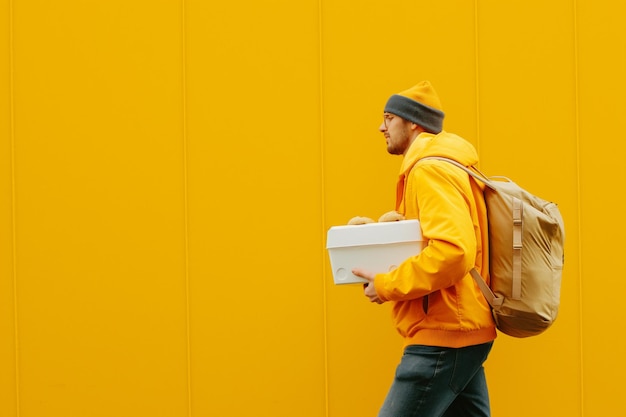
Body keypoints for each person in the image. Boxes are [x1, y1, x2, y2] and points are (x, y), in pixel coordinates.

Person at [351, 81, 497, 417]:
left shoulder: (430, 169)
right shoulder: (446, 165)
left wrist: (387, 284)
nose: (381, 127)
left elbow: (454, 251)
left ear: (413, 123)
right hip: (459, 327)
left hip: (442, 334)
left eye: (389, 118)